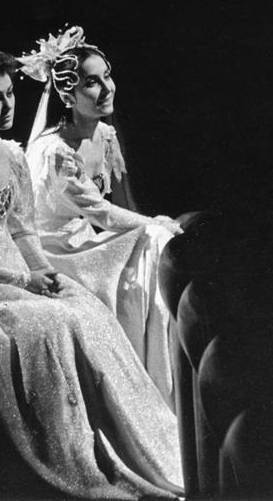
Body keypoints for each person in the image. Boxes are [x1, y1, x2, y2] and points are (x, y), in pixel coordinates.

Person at [0, 34, 182, 499]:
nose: (8, 105)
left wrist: (44, 273)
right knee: (50, 324)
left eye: (10, 92)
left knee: (87, 310)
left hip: (21, 270)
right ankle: (71, 456)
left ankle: (135, 442)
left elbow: (23, 230)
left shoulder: (12, 155)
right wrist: (23, 278)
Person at [21, 27, 182, 406]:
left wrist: (148, 227)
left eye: (107, 76)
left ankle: (163, 364)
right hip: (54, 252)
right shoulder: (54, 151)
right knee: (154, 238)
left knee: (151, 245)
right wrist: (154, 225)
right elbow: (102, 213)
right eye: (91, 83)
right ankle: (149, 380)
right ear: (67, 95)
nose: (106, 88)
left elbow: (118, 204)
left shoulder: (104, 135)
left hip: (83, 240)